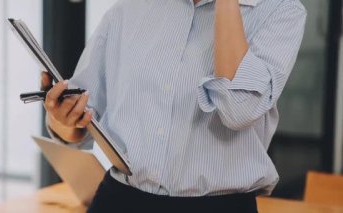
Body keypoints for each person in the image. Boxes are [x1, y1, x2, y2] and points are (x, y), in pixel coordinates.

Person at [41, 0, 306, 212]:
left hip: (219, 207)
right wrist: (62, 119)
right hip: (120, 199)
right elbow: (81, 125)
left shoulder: (280, 11)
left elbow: (238, 110)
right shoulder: (129, 8)